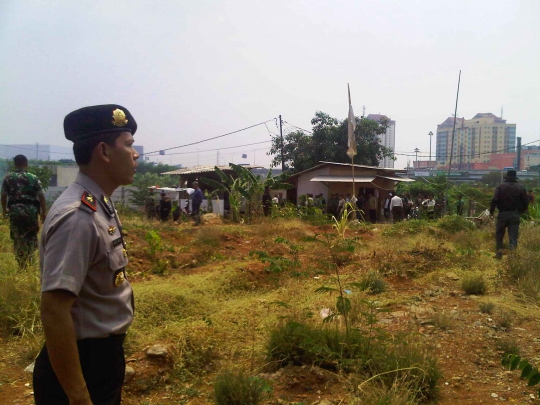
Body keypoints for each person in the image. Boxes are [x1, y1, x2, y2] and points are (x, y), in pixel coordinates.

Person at [33, 104, 139, 404]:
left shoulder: (98, 202)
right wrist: (78, 396)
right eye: (128, 145)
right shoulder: (78, 216)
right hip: (82, 364)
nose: (136, 154)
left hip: (100, 359)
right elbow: (54, 309)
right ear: (104, 152)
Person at [1, 154, 47, 268]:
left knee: (17, 238)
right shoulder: (33, 178)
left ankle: (22, 265)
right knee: (31, 236)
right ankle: (31, 261)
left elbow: (3, 196)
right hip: (31, 212)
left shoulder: (8, 178)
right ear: (26, 163)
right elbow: (41, 196)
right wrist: (44, 212)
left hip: (15, 212)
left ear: (15, 164)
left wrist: (4, 210)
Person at [489, 169, 529, 259]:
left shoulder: (500, 187)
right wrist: (521, 211)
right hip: (514, 214)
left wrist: (491, 211)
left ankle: (499, 254)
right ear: (515, 178)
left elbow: (494, 200)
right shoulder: (521, 187)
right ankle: (512, 256)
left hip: (502, 214)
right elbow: (526, 202)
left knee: (499, 235)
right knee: (513, 236)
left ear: (506, 177)